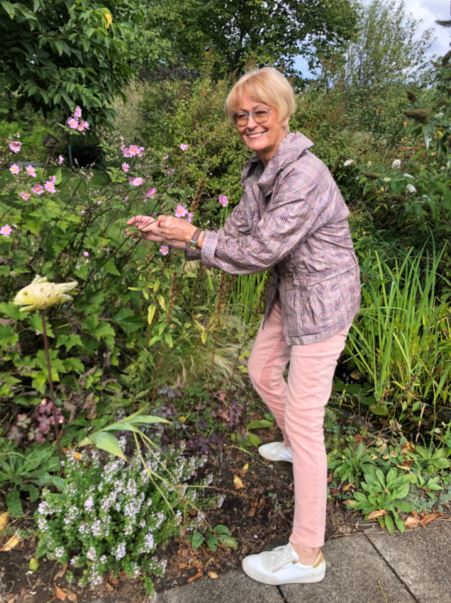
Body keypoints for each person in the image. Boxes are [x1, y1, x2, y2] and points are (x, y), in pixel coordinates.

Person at [127, 67, 361, 586]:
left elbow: (259, 251)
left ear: (283, 112)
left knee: (306, 418)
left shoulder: (303, 175)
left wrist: (194, 235)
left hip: (324, 302)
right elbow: (233, 235)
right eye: (240, 115)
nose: (249, 122)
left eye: (260, 112)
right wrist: (170, 236)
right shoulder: (260, 170)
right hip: (292, 292)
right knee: (261, 369)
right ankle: (296, 443)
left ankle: (307, 554)